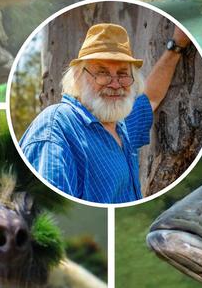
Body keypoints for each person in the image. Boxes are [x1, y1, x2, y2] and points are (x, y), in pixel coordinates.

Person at [19, 23, 190, 203]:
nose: (115, 84)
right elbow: (49, 208)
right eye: (102, 73)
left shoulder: (119, 123)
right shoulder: (56, 127)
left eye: (123, 74)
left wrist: (177, 46)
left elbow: (151, 97)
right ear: (78, 76)